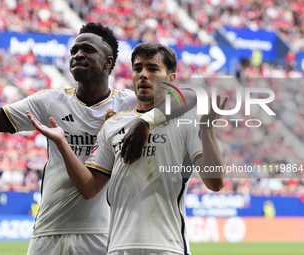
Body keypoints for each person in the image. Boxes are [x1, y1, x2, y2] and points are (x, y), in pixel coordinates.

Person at [0, 24, 196, 254]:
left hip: (102, 234)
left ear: (108, 61)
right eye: (74, 51)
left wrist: (147, 121)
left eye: (87, 50)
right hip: (48, 230)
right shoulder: (49, 102)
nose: (78, 55)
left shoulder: (127, 104)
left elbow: (189, 96)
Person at [27, 42, 226, 255]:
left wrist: (207, 131)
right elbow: (89, 188)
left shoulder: (186, 121)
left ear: (171, 79)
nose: (143, 75)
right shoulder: (113, 125)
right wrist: (62, 143)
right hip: (117, 249)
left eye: (152, 68)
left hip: (167, 247)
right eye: (138, 68)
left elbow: (215, 182)